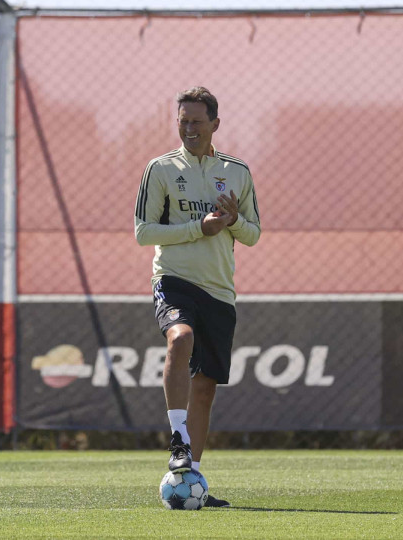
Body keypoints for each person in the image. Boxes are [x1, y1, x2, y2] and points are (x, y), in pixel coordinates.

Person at [134, 86, 261, 508]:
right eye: (183, 121)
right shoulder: (161, 169)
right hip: (174, 278)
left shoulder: (237, 171)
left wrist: (231, 220)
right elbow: (143, 232)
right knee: (180, 337)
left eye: (196, 121)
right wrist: (198, 228)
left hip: (219, 289)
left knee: (205, 388)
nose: (189, 128)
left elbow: (254, 234)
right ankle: (177, 442)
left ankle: (192, 478)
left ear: (215, 125)